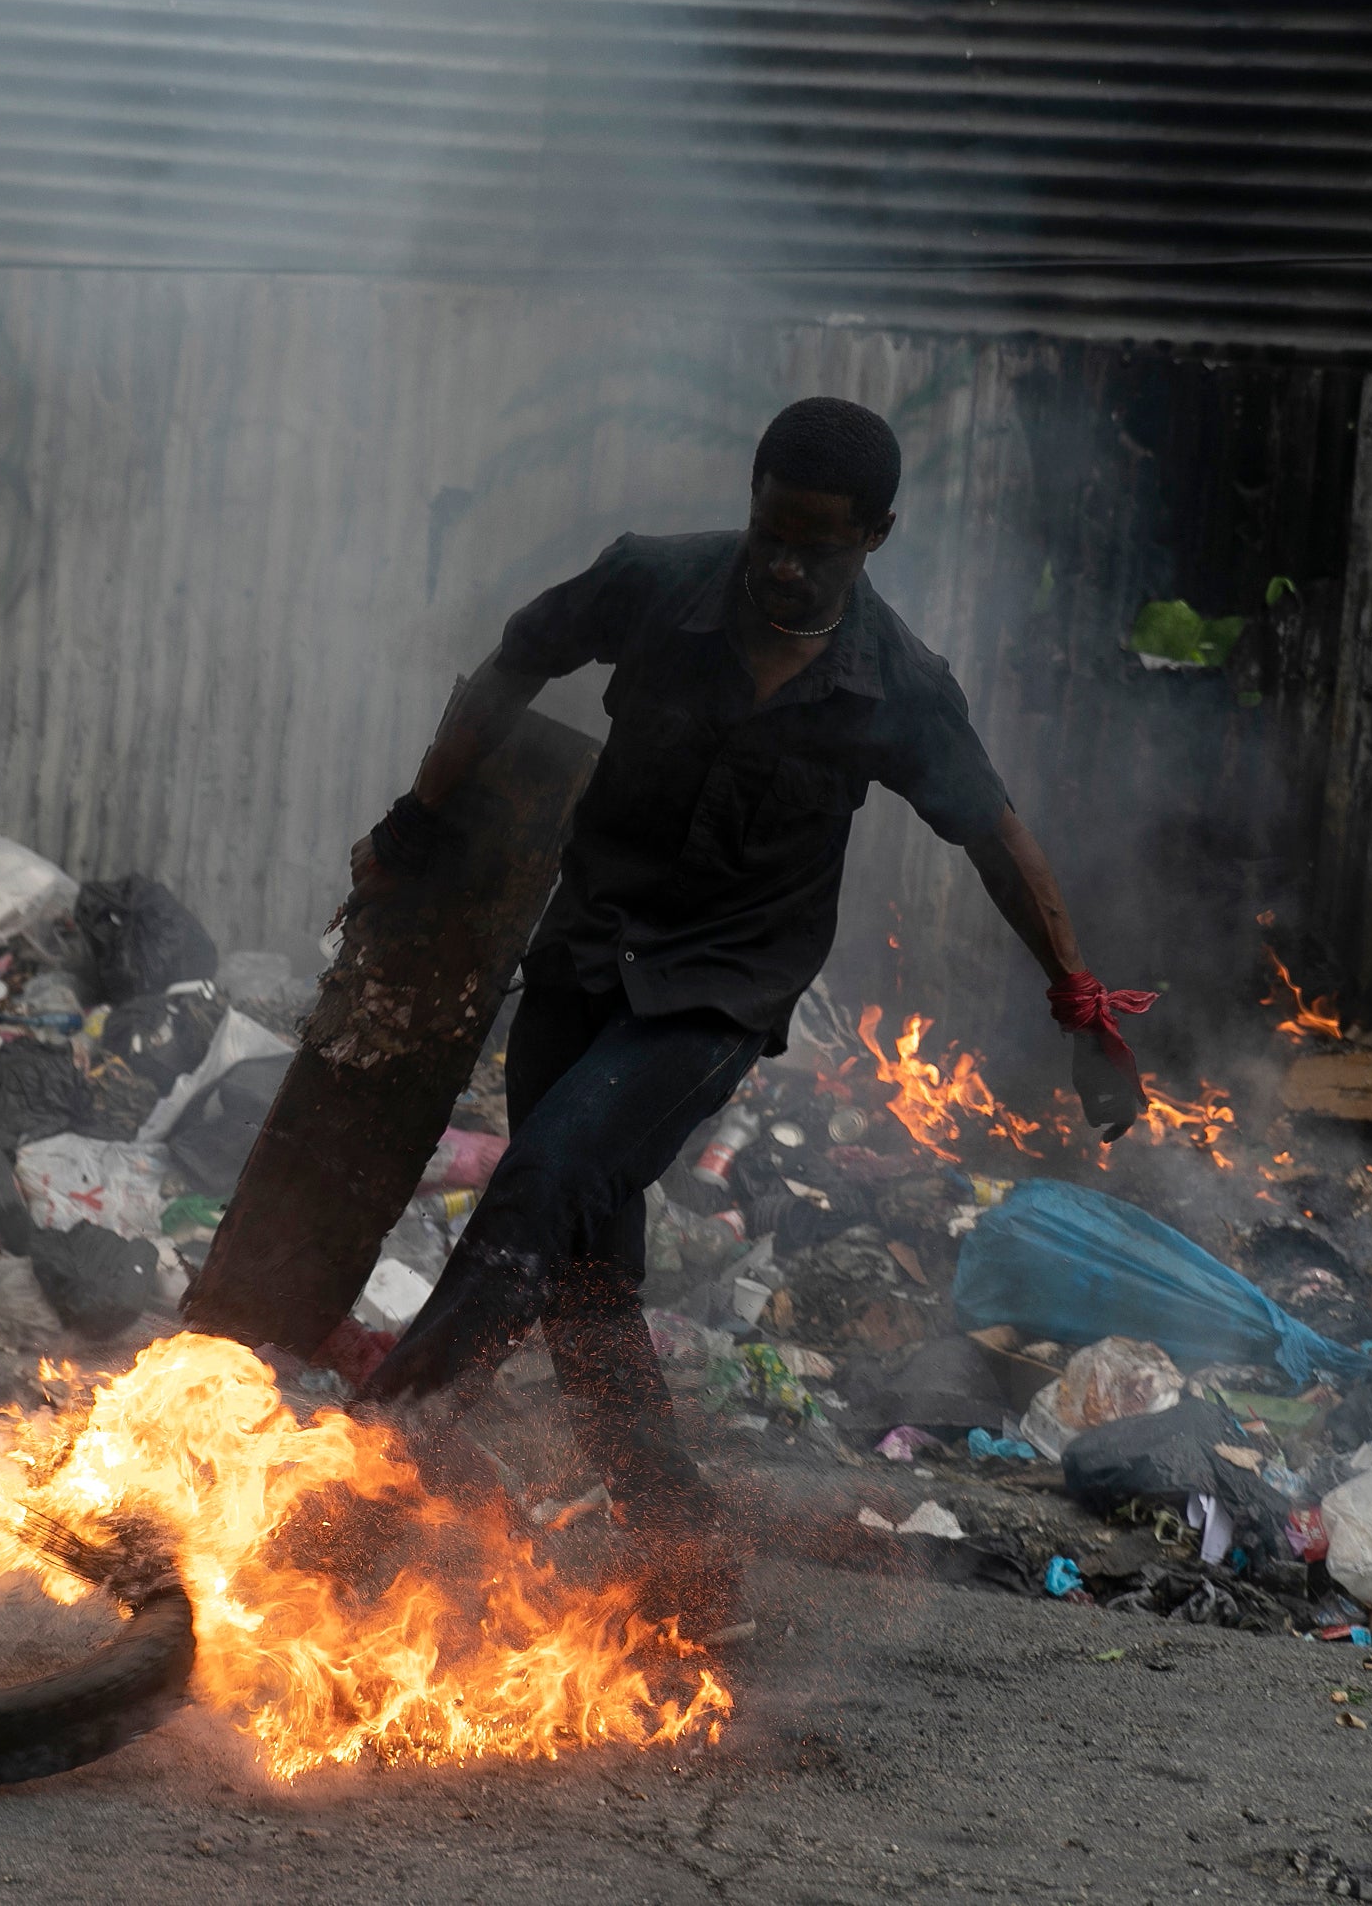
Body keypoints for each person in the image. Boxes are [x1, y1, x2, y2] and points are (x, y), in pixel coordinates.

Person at [348, 396, 1151, 1640]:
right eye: (769, 533)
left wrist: (1079, 1004)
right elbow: (519, 652)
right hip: (586, 957)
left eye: (815, 547)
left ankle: (379, 1453)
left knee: (545, 1178)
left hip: (716, 992)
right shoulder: (653, 585)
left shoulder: (897, 689)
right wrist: (419, 815)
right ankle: (687, 1565)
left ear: (874, 536)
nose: (782, 566)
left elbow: (995, 836)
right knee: (588, 1293)